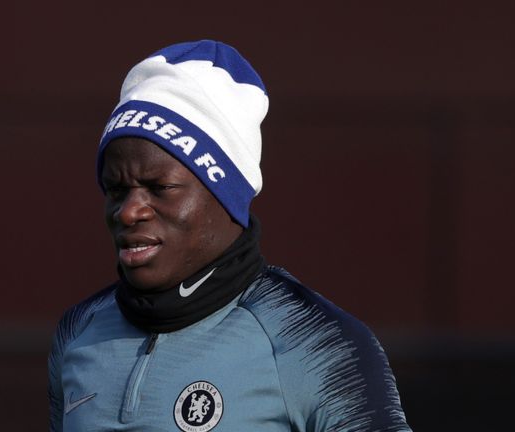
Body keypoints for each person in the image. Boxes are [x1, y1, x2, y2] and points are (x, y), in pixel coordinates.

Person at [48, 40, 411, 432]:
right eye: (116, 189)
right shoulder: (78, 332)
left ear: (224, 195)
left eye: (159, 187)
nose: (129, 211)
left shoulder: (316, 342)